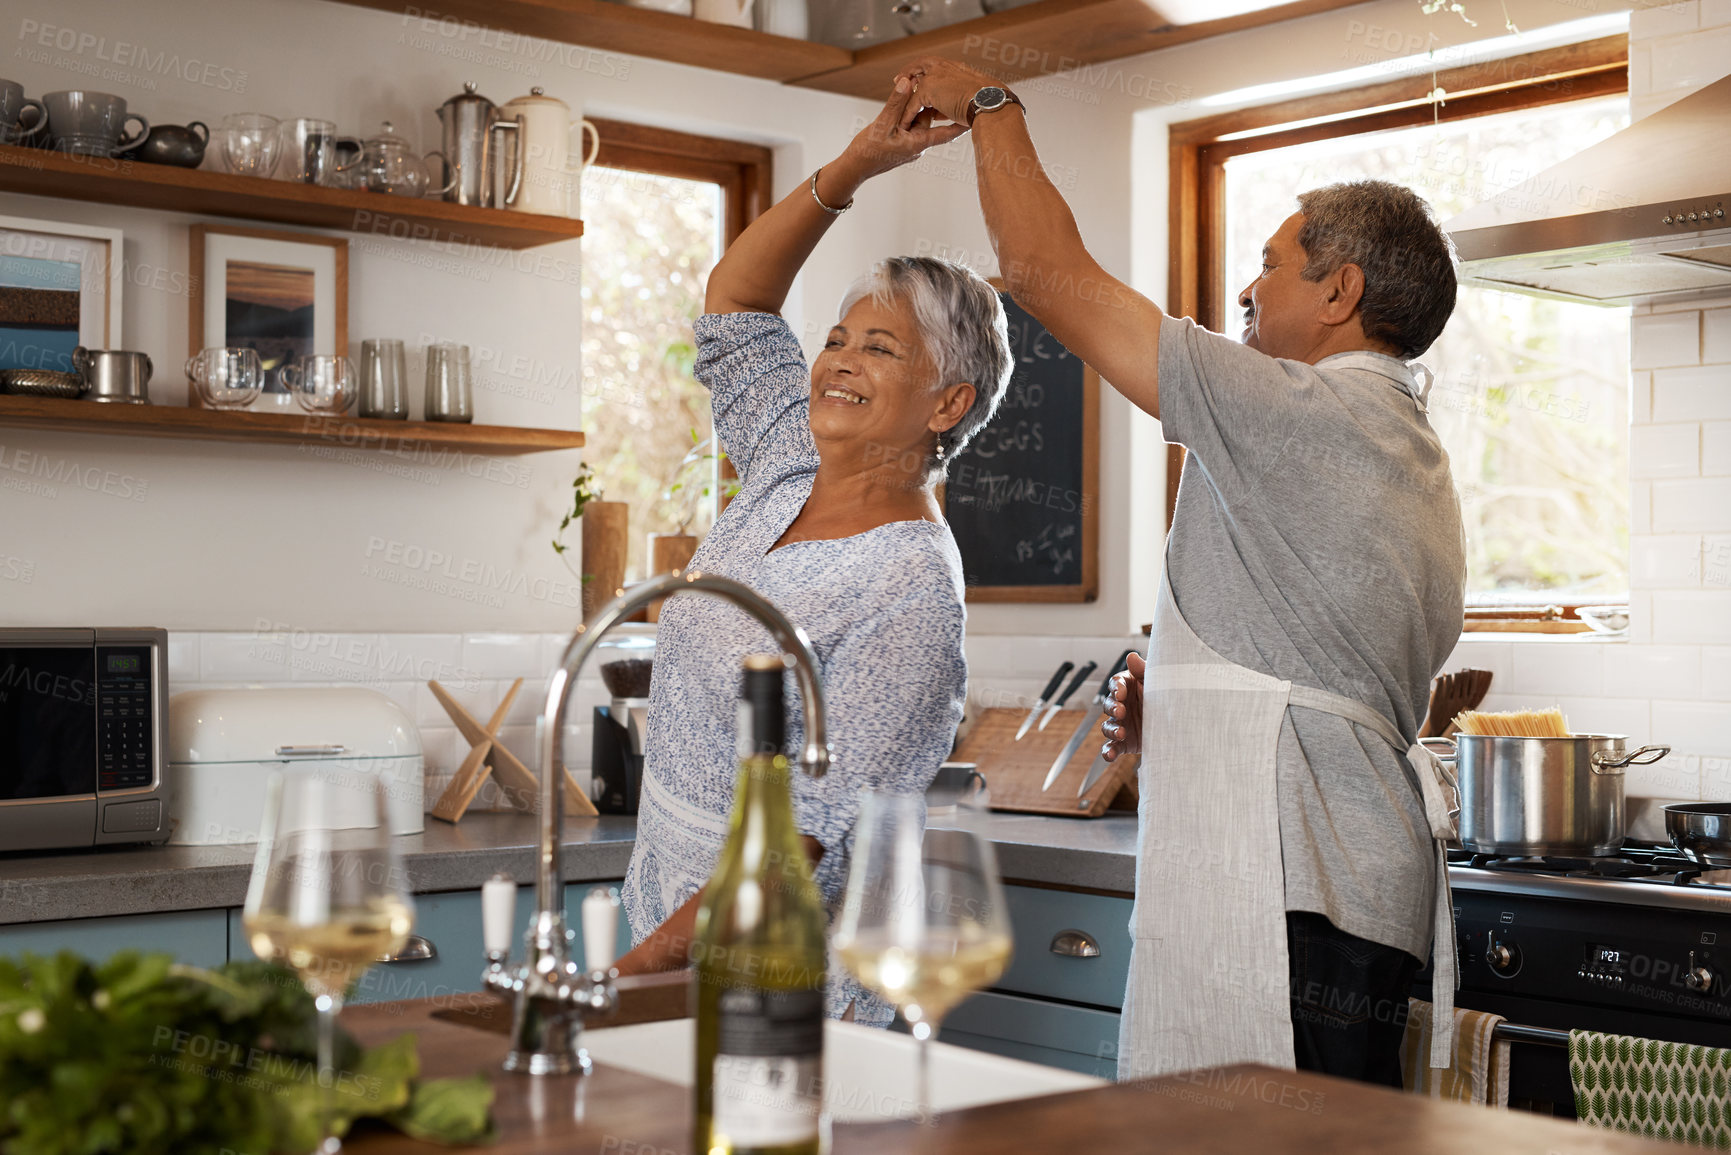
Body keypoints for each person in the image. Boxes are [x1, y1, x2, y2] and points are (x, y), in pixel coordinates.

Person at [902, 58, 1466, 1085]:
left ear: (1342, 290)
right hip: (1342, 881)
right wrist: (1188, 715)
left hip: (1303, 886)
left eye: (1274, 264)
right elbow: (1318, 656)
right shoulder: (1393, 433)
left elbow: (1037, 268)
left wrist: (990, 103)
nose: (1248, 289)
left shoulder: (1300, 409)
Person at [613, 80, 1014, 1027]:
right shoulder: (786, 465)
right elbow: (737, 301)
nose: (836, 360)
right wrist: (857, 166)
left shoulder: (911, 592)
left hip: (779, 972)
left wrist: (626, 976)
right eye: (837, 338)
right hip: (668, 913)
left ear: (947, 402)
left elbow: (799, 850)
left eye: (879, 348)